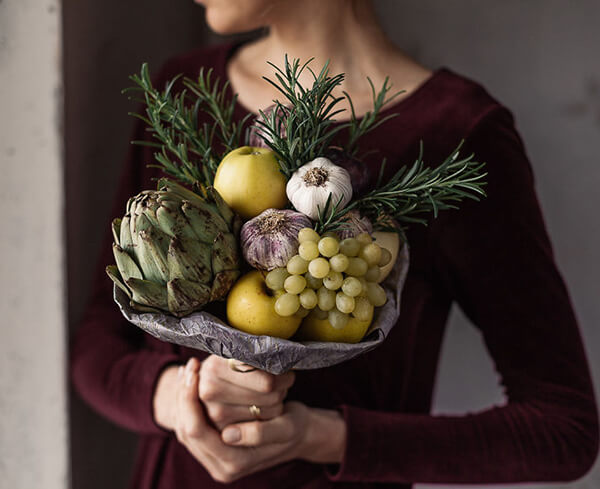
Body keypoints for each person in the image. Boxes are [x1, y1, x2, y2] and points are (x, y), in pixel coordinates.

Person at [71, 0, 600, 487]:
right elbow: (98, 344)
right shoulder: (182, 92)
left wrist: (321, 436)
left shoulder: (457, 134)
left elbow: (563, 430)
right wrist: (175, 397)